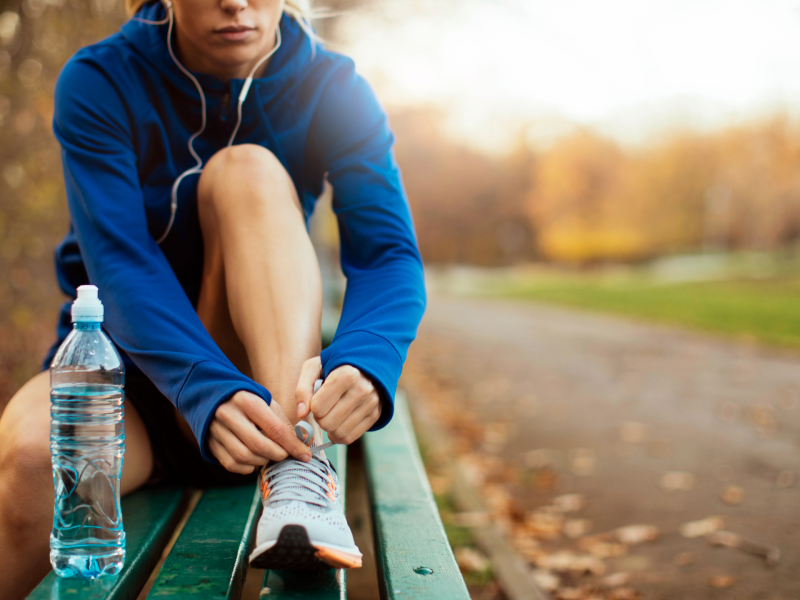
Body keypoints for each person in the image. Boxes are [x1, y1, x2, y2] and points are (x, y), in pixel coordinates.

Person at [0, 0, 426, 594]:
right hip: (136, 381)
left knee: (245, 169)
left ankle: (298, 473)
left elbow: (387, 254)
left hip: (265, 399)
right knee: (29, 462)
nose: (234, 2)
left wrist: (369, 355)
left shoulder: (333, 86)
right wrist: (202, 388)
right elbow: (119, 260)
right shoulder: (101, 78)